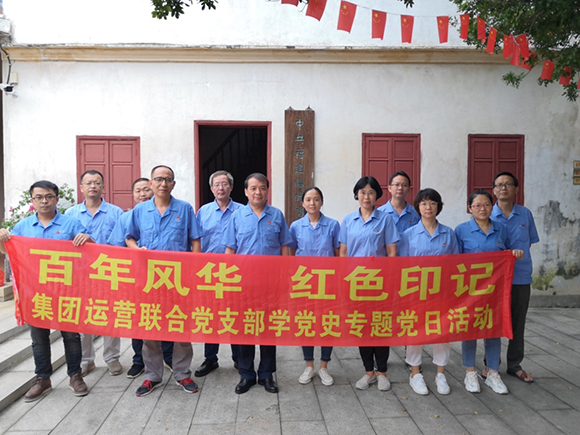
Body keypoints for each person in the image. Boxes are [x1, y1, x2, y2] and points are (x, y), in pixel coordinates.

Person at [0, 180, 93, 402]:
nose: (44, 201)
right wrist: (2, 240)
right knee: (38, 338)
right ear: (32, 200)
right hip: (35, 293)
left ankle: (75, 376)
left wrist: (88, 239)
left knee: (71, 336)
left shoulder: (71, 224)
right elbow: (9, 252)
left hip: (66, 291)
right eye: (39, 197)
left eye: (49, 196)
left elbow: (90, 252)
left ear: (57, 199)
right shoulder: (22, 227)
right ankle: (43, 379)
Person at [125, 165, 203, 397]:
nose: (163, 183)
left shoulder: (185, 209)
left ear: (173, 184)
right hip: (150, 280)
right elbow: (129, 237)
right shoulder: (140, 210)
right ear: (151, 183)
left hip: (179, 281)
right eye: (158, 179)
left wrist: (194, 272)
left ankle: (182, 373)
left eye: (168, 179)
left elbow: (195, 241)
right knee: (150, 327)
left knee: (181, 328)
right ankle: (152, 376)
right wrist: (137, 250)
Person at [224, 173, 292, 394]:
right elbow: (230, 250)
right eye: (253, 188)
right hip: (244, 285)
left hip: (270, 285)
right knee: (244, 329)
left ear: (267, 190)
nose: (257, 192)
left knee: (268, 329)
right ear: (245, 192)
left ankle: (266, 374)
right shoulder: (237, 216)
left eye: (262, 188)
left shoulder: (277, 215)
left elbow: (284, 247)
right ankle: (246, 374)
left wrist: (285, 278)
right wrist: (228, 281)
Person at [455, 189, 524, 394]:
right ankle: (470, 372)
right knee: (470, 330)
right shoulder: (461, 230)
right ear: (470, 208)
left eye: (486, 205)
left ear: (492, 207)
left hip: (495, 291)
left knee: (493, 329)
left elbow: (507, 253)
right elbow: (454, 262)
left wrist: (514, 253)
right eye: (477, 205)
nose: (482, 209)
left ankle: (493, 372)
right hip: (469, 291)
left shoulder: (501, 229)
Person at [107, 177, 174, 379]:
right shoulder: (126, 218)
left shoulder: (167, 212)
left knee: (167, 317)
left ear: (153, 190)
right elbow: (116, 247)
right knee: (139, 319)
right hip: (137, 278)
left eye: (146, 189)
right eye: (138, 190)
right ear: (133, 195)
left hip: (166, 277)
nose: (142, 194)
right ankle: (139, 360)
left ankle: (168, 357)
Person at [339, 176, 399, 392]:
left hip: (379, 284)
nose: (366, 196)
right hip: (356, 283)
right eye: (362, 192)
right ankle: (368, 372)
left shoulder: (385, 220)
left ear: (377, 196)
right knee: (362, 326)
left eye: (371, 192)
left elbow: (392, 251)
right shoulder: (348, 220)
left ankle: (382, 372)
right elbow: (343, 252)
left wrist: (390, 279)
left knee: (380, 326)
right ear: (357, 195)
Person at [398, 188, 459, 396]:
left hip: (442, 292)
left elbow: (456, 264)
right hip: (416, 292)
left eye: (432, 203)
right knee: (415, 331)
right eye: (423, 203)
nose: (428, 207)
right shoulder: (408, 235)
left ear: (438, 207)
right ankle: (415, 373)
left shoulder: (448, 234)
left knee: (442, 332)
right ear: (418, 207)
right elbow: (402, 266)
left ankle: (441, 373)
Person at [65, 170, 124, 377]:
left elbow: (121, 242)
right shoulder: (70, 214)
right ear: (81, 187)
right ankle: (86, 360)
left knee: (111, 315)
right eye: (88, 183)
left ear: (103, 187)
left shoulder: (116, 213)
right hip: (80, 274)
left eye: (97, 183)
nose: (93, 186)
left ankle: (112, 357)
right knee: (83, 317)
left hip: (109, 272)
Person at [490, 172, 539, 383]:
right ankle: (491, 364)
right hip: (495, 279)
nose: (503, 188)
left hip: (520, 276)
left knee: (518, 322)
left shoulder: (525, 214)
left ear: (516, 189)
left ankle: (514, 365)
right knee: (492, 322)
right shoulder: (487, 214)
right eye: (499, 185)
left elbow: (528, 243)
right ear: (494, 190)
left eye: (508, 184)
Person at [289, 187, 340, 387]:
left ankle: (324, 366)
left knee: (328, 322)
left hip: (327, 283)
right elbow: (292, 254)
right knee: (307, 322)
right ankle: (309, 365)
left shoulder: (333, 225)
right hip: (305, 283)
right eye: (308, 199)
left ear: (322, 202)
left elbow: (338, 253)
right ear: (302, 203)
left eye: (316, 199)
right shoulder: (295, 226)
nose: (312, 203)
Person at [194, 170, 243, 378]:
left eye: (224, 184)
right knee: (210, 315)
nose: (220, 188)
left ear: (231, 187)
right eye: (217, 184)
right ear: (211, 188)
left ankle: (239, 357)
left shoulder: (242, 211)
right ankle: (210, 358)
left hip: (234, 272)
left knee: (234, 314)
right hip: (209, 272)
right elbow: (196, 239)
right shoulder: (203, 212)